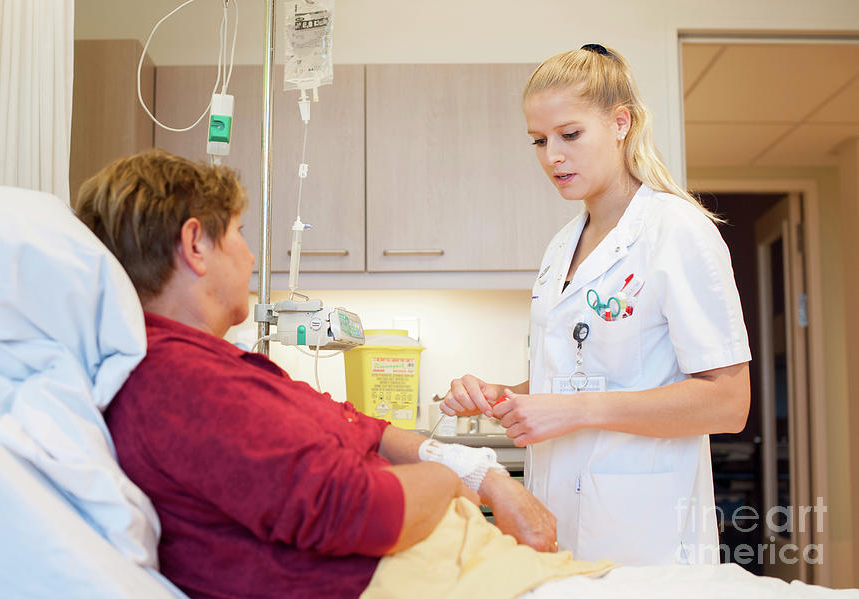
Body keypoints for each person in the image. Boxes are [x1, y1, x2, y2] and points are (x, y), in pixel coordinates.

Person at [73, 149, 557, 599]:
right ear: (196, 244)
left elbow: (360, 426)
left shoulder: (210, 363)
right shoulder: (180, 383)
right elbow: (357, 510)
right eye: (240, 232)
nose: (251, 256)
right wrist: (447, 480)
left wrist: (486, 475)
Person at [441, 44, 751, 567]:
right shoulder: (563, 244)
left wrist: (577, 411)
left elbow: (728, 402)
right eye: (539, 140)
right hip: (555, 518)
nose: (552, 156)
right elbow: (577, 377)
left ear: (620, 122)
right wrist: (503, 394)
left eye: (570, 134)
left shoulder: (677, 231)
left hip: (645, 534)